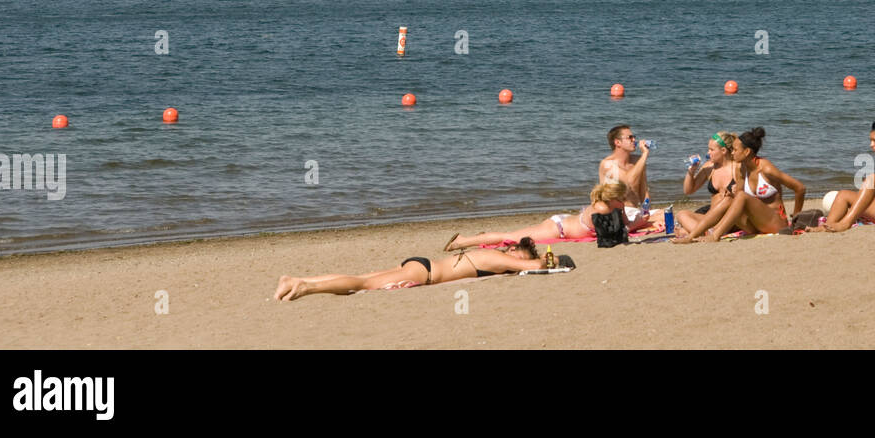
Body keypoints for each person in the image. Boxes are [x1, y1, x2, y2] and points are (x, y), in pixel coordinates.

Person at [274, 239, 546, 300]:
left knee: (365, 277)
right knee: (361, 283)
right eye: (517, 256)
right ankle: (307, 287)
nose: (516, 262)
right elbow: (534, 265)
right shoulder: (499, 259)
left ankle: (295, 280)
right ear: (512, 253)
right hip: (423, 273)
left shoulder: (491, 254)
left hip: (421, 265)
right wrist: (547, 259)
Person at [673, 127, 805, 242]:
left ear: (747, 152)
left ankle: (714, 235)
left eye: (735, 150)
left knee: (741, 196)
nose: (732, 152)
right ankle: (692, 237)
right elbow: (737, 197)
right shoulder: (742, 169)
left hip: (775, 222)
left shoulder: (766, 168)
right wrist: (730, 194)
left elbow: (799, 188)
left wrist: (795, 219)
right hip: (755, 224)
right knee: (731, 198)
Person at [442, 182, 632, 251]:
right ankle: (462, 241)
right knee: (508, 237)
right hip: (557, 229)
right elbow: (610, 239)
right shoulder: (601, 209)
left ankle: (481, 236)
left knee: (511, 236)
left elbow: (623, 226)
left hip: (563, 222)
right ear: (613, 198)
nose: (625, 201)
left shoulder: (607, 207)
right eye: (622, 199)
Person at [599, 125, 664, 231]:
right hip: (618, 213)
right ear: (617, 143)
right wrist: (645, 154)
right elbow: (629, 180)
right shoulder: (607, 164)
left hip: (635, 211)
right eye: (630, 137)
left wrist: (646, 210)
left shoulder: (637, 161)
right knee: (658, 219)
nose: (634, 140)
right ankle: (642, 225)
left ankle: (642, 224)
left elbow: (643, 190)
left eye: (634, 137)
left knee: (666, 214)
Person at [675, 131, 738, 235]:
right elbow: (688, 190)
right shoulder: (709, 168)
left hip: (730, 219)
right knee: (681, 214)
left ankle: (693, 231)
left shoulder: (737, 167)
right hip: (711, 217)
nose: (708, 153)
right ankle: (704, 232)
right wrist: (691, 171)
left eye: (711, 150)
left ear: (723, 150)